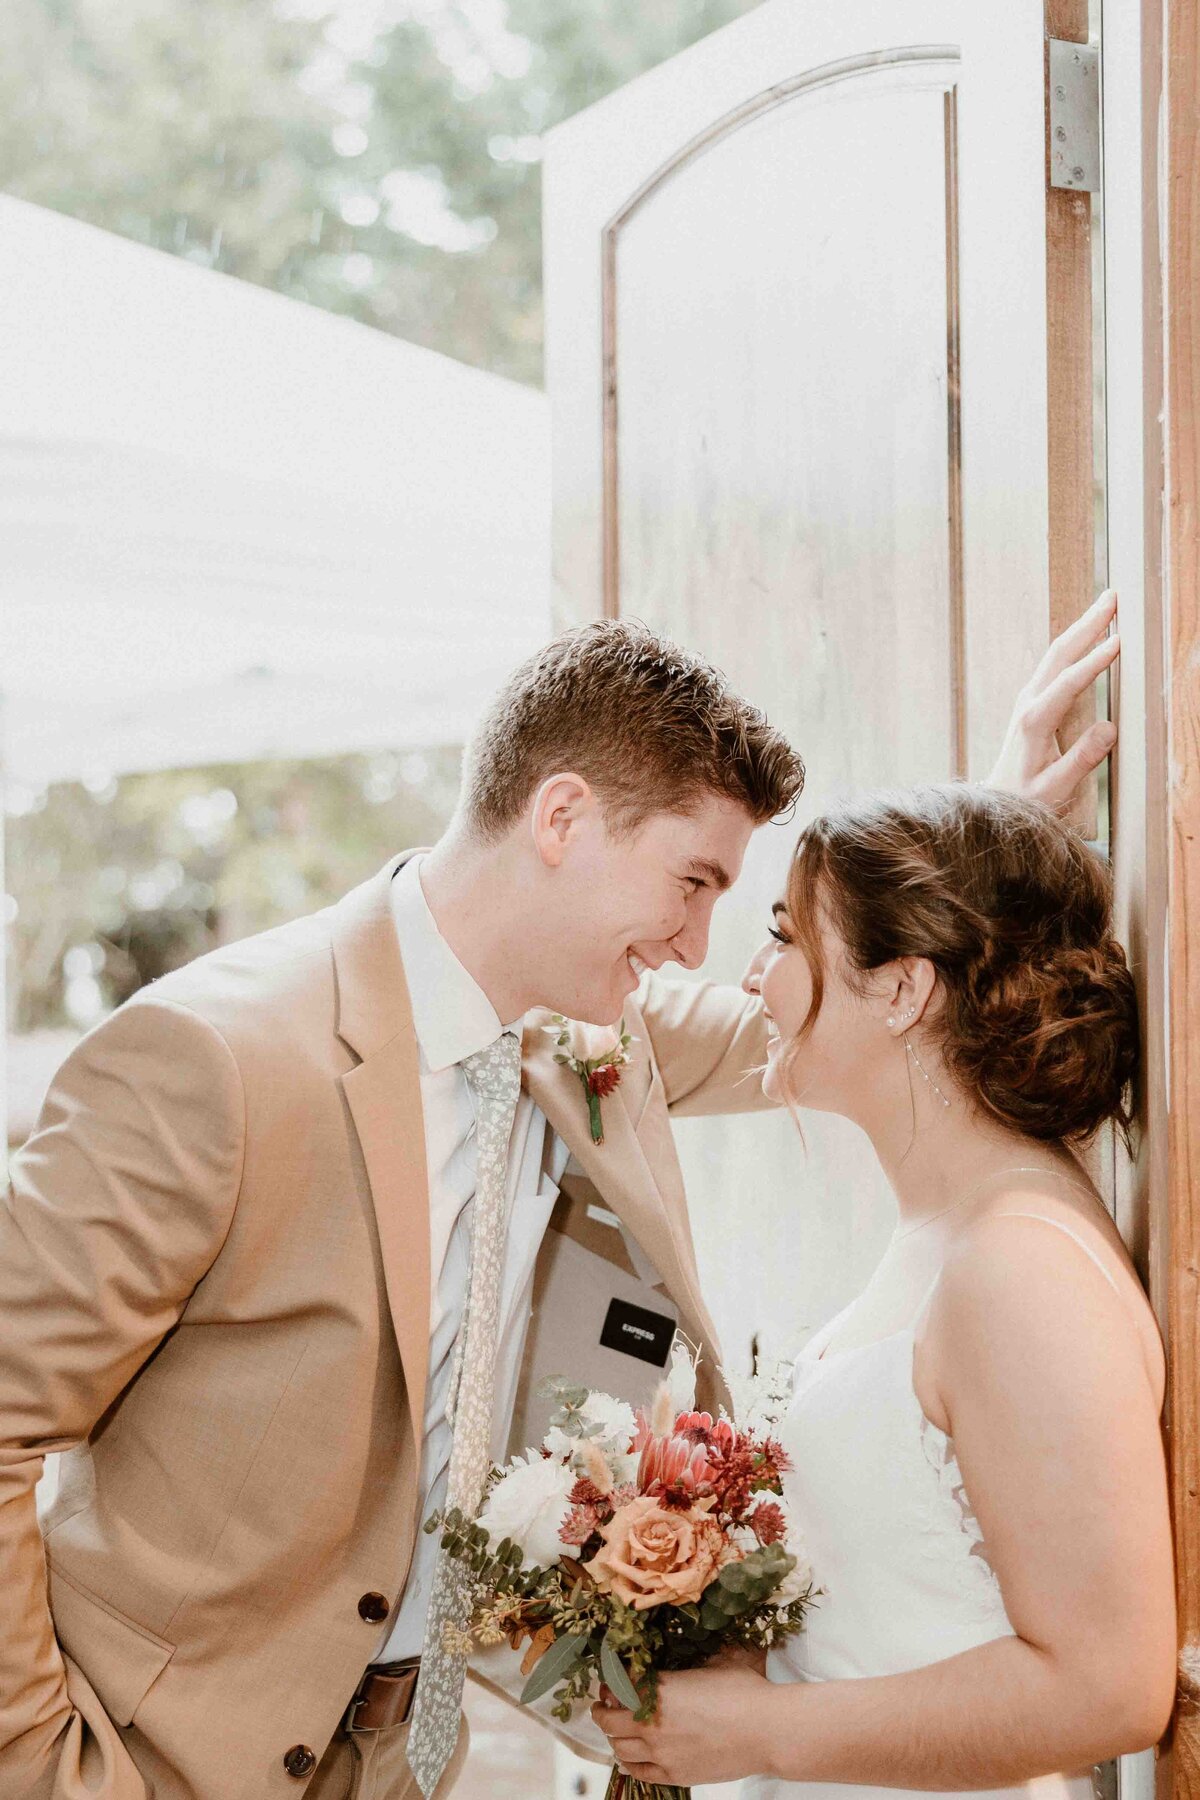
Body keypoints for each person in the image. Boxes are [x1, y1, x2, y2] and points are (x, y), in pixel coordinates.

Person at [1, 598, 1118, 1800]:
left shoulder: (594, 1032)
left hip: (399, 1760)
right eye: (691, 881)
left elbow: (828, 1019)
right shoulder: (211, 1059)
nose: (696, 943)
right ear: (562, 817)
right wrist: (45, 1769)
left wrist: (978, 847)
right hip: (146, 1758)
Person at [592, 776, 1174, 1796]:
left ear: (903, 990)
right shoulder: (945, 1228)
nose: (754, 981)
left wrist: (763, 1732)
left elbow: (1108, 1687)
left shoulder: (1019, 1268)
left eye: (783, 939)